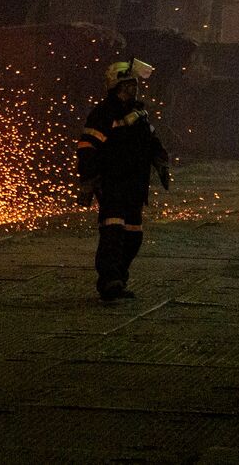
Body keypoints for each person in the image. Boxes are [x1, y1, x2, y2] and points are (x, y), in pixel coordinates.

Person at [76, 60, 171, 301]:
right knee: (113, 231)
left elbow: (151, 141)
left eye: (135, 84)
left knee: (133, 234)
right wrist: (88, 179)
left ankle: (120, 275)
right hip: (112, 182)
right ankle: (109, 279)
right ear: (116, 86)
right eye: (129, 85)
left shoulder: (139, 114)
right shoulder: (102, 114)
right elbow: (87, 147)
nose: (134, 89)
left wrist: (160, 161)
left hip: (136, 185)